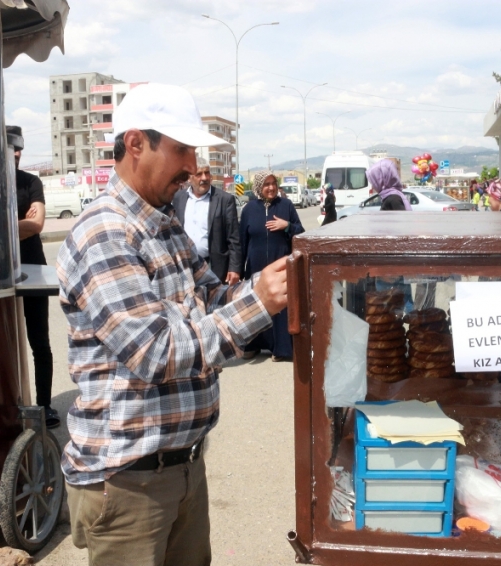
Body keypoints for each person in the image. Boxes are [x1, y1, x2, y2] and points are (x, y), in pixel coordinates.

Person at [56, 84, 288, 566]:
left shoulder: (163, 225)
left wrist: (270, 286)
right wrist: (259, 303)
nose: (191, 165)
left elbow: (212, 297)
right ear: (136, 144)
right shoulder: (105, 232)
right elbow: (155, 353)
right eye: (182, 149)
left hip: (181, 468)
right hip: (128, 483)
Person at [8, 126, 59, 429]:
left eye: (20, 148)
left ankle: (44, 405)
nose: (16, 154)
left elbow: (37, 224)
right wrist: (19, 224)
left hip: (33, 271)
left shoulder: (30, 182)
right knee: (0, 344)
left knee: (39, 341)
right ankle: (7, 404)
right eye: (11, 148)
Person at [239, 171, 304, 362]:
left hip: (280, 267)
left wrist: (287, 225)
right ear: (259, 187)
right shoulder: (249, 209)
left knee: (281, 306)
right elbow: (242, 241)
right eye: (266, 184)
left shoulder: (286, 206)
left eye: (274, 183)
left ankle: (282, 349)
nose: (271, 187)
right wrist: (240, 270)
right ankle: (254, 345)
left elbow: (301, 234)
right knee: (257, 305)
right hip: (256, 267)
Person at [173, 156, 241, 285]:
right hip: (186, 266)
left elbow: (234, 238)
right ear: (189, 177)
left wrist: (235, 268)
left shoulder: (224, 200)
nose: (204, 178)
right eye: (199, 174)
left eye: (207, 173)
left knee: (215, 303)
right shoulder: (179, 198)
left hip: (213, 266)